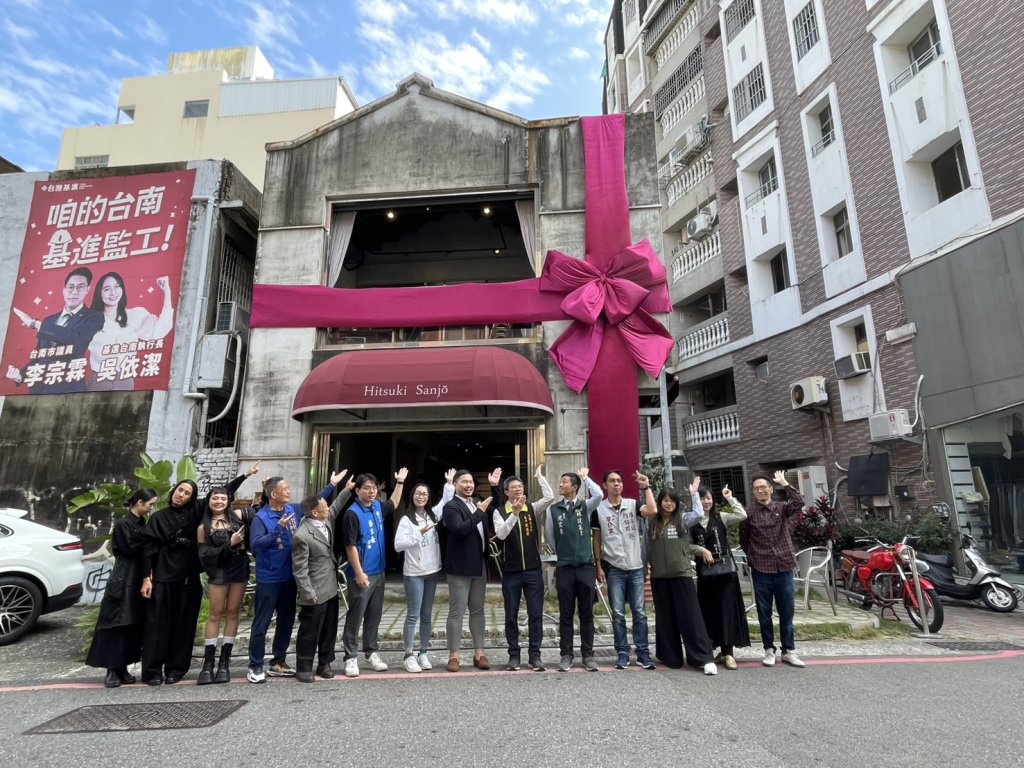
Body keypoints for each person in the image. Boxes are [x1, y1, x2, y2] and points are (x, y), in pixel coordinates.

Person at [139, 463, 259, 686]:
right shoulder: (159, 518)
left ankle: (176, 669)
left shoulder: (197, 513)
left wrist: (245, 475)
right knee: (157, 625)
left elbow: (223, 493)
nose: (181, 495)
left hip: (188, 578)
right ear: (173, 492)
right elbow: (148, 549)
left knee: (184, 625)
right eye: (179, 490)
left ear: (192, 498)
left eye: (187, 493)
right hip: (164, 577)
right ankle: (153, 670)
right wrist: (147, 577)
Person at [247, 471, 348, 683]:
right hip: (269, 579)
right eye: (285, 490)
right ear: (273, 493)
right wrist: (278, 529)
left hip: (289, 578)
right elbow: (256, 546)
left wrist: (332, 485)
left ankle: (278, 661)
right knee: (262, 623)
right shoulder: (261, 518)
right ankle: (255, 665)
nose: (289, 492)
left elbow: (314, 506)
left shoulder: (292, 509)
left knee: (286, 621)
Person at [195, 478, 270, 685]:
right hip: (219, 571)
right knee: (215, 614)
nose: (219, 501)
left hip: (239, 568)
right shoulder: (203, 527)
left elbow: (261, 511)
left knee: (233, 613)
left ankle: (225, 662)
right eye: (215, 498)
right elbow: (205, 555)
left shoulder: (237, 517)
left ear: (228, 500)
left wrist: (265, 489)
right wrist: (230, 543)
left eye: (222, 498)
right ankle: (208, 663)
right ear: (209, 501)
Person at [86, 488, 159, 688]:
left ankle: (123, 667)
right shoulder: (122, 524)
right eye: (150, 504)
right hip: (124, 575)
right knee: (116, 621)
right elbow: (128, 548)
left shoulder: (143, 524)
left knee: (132, 623)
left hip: (139, 576)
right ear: (139, 502)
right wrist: (147, 541)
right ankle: (112, 668)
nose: (152, 507)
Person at [340, 469, 407, 677]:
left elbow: (393, 503)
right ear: (357, 490)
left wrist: (400, 482)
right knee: (356, 615)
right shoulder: (352, 514)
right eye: (367, 488)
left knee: (374, 616)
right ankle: (350, 657)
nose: (371, 491)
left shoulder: (377, 506)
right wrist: (359, 573)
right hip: (362, 573)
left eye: (374, 488)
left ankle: (371, 652)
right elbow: (350, 546)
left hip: (379, 571)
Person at [647, 482, 718, 675]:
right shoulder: (652, 523)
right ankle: (671, 656)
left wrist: (694, 494)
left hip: (682, 575)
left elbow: (698, 514)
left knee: (691, 617)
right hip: (659, 577)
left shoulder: (683, 519)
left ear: (677, 503)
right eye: (665, 500)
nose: (668, 504)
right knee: (665, 618)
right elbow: (647, 547)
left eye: (672, 501)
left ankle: (703, 658)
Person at [490, 464, 554, 672]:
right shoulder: (500, 512)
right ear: (506, 492)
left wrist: (540, 478)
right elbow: (500, 534)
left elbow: (550, 498)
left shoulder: (532, 508)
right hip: (511, 572)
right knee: (511, 614)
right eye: (514, 487)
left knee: (536, 613)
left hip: (534, 571)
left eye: (521, 486)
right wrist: (514, 514)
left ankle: (535, 656)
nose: (518, 489)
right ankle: (513, 655)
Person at [740, 471, 806, 668]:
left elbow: (799, 503)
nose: (760, 491)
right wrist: (753, 556)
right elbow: (744, 540)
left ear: (770, 489)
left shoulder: (781, 508)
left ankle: (789, 650)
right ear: (753, 492)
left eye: (763, 487)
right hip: (761, 568)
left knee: (787, 611)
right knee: (764, 612)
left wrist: (785, 483)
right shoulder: (749, 512)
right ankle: (769, 649)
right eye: (756, 488)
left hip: (784, 566)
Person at [592, 469, 656, 670]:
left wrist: (646, 486)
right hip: (615, 569)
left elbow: (653, 510)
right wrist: (598, 565)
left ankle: (643, 653)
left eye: (619, 480)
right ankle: (622, 652)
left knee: (640, 612)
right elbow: (596, 538)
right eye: (612, 481)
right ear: (605, 485)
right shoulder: (599, 510)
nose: (616, 484)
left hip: (636, 567)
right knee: (618, 613)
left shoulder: (632, 504)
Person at [291, 481, 353, 683]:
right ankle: (304, 666)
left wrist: (347, 489)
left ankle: (325, 663)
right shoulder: (302, 535)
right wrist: (307, 592)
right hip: (315, 589)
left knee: (329, 627)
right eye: (323, 507)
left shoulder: (325, 521)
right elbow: (300, 569)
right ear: (314, 513)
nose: (328, 508)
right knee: (310, 630)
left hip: (331, 585)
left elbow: (335, 507)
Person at [543, 467, 604, 672]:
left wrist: (587, 478)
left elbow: (599, 494)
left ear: (575, 487)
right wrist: (561, 558)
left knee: (586, 613)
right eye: (560, 482)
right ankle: (566, 655)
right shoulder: (554, 510)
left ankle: (588, 655)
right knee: (565, 613)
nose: (560, 485)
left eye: (564, 482)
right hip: (565, 568)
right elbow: (551, 538)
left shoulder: (585, 507)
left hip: (586, 567)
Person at [393, 469, 454, 673]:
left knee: (427, 614)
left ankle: (424, 652)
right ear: (413, 496)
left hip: (431, 572)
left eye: (425, 494)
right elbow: (398, 545)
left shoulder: (431, 515)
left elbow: (446, 502)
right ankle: (408, 654)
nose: (421, 497)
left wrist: (449, 483)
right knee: (413, 614)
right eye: (418, 494)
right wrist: (418, 534)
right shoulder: (406, 520)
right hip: (414, 574)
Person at [6, 266, 103, 393]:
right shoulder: (48, 320)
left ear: (88, 289)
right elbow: (40, 356)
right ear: (63, 290)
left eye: (80, 287)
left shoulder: (94, 317)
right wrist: (20, 376)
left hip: (69, 391)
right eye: (70, 287)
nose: (74, 292)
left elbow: (75, 340)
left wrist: (35, 324)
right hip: (39, 391)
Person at [442, 468, 499, 673]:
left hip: (479, 564)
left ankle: (479, 652)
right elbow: (459, 530)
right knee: (457, 610)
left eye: (471, 482)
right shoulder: (451, 507)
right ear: (456, 484)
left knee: (478, 609)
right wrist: (478, 513)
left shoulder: (478, 503)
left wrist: (495, 488)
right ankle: (454, 655)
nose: (469, 485)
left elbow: (498, 511)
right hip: (459, 566)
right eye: (464, 482)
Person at [690, 482, 750, 671]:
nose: (706, 502)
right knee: (708, 611)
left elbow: (742, 515)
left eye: (709, 498)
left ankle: (728, 652)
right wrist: (701, 550)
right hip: (705, 574)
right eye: (702, 498)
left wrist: (729, 498)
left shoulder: (721, 517)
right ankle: (712, 650)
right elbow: (687, 545)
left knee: (726, 611)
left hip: (725, 574)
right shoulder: (692, 521)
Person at [86, 271, 174, 391]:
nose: (113, 292)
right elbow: (109, 350)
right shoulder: (91, 321)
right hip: (101, 380)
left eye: (117, 287)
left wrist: (167, 291)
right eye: (107, 289)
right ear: (99, 293)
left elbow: (160, 331)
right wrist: (139, 332)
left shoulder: (134, 314)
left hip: (125, 379)